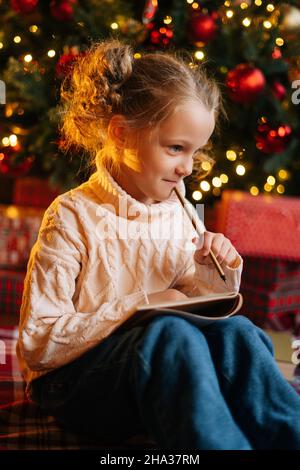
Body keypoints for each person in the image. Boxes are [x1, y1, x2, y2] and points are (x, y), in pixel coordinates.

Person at [17, 38, 300, 450]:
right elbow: (38, 344)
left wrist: (209, 272)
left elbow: (193, 304)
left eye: (194, 152)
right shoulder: (71, 215)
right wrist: (140, 305)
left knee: (238, 332)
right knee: (170, 334)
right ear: (121, 134)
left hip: (154, 367)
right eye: (175, 149)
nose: (187, 167)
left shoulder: (179, 209)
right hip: (72, 384)